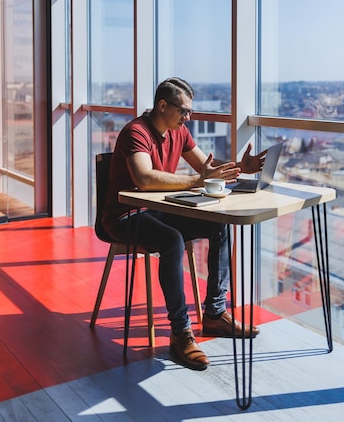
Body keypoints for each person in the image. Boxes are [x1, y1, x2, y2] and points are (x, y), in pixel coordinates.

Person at [102, 77, 267, 370]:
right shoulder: (136, 132)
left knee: (218, 225)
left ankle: (215, 314)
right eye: (183, 111)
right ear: (163, 105)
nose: (188, 117)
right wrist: (197, 181)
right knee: (172, 241)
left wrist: (243, 168)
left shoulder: (180, 132)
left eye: (189, 112)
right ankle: (180, 332)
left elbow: (208, 170)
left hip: (157, 210)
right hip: (125, 215)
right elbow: (144, 178)